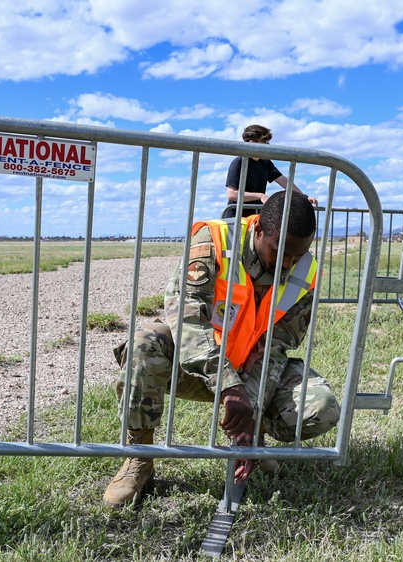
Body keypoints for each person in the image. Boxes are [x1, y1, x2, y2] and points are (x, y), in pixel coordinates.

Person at [104, 190, 341, 508]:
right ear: (258, 229)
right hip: (195, 367)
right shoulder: (214, 241)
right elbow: (187, 322)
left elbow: (274, 349)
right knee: (145, 342)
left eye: (297, 255)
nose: (288, 264)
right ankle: (138, 459)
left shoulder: (305, 274)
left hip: (250, 370)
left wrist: (250, 413)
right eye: (281, 252)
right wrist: (229, 386)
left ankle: (254, 441)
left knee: (322, 407)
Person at [223, 124, 317, 218]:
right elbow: (231, 194)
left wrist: (304, 198)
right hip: (235, 219)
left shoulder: (265, 163)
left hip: (254, 219)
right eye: (264, 142)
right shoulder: (239, 162)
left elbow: (284, 181)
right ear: (252, 143)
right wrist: (260, 196)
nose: (268, 146)